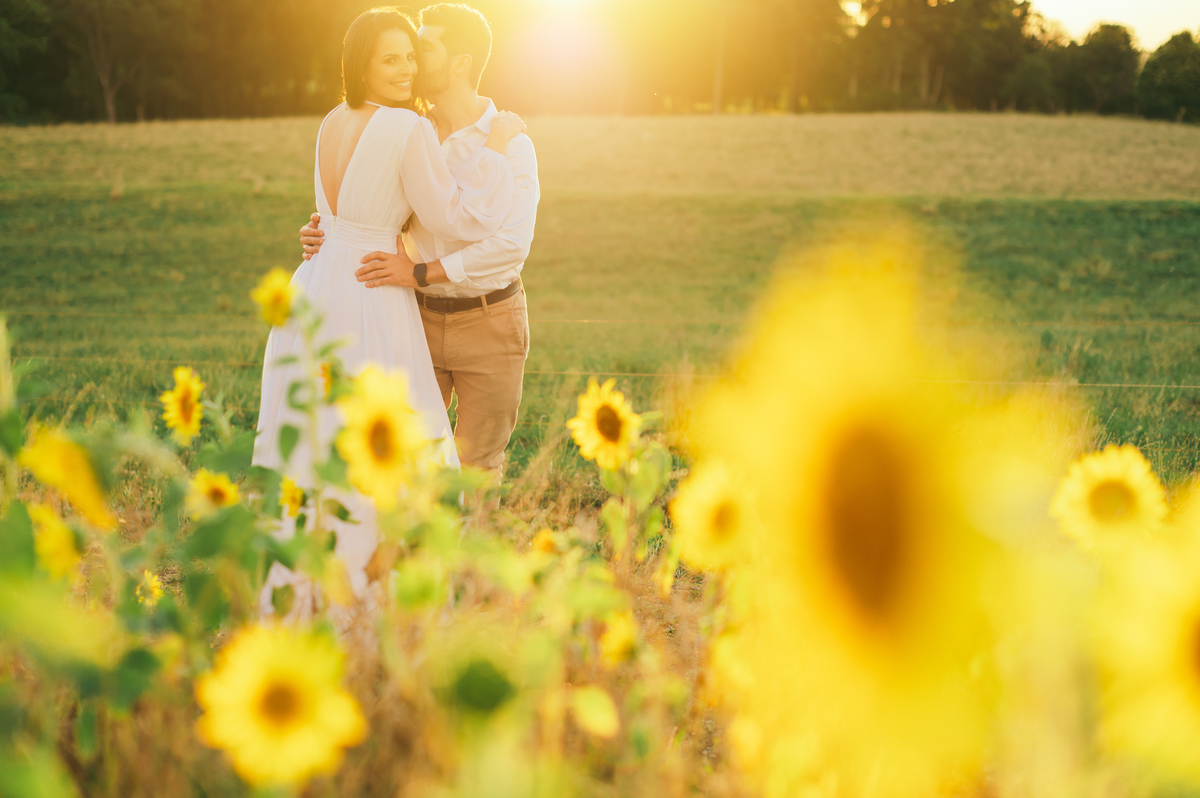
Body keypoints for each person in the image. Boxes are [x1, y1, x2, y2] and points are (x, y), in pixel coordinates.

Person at [255, 6, 526, 622]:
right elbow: (457, 218)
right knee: (390, 442)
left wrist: (320, 231)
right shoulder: (408, 127)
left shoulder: (331, 120)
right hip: (371, 290)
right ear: (361, 65)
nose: (406, 69)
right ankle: (376, 607)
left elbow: (336, 216)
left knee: (320, 438)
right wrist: (498, 148)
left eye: (410, 56)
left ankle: (308, 597)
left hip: (315, 288)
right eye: (391, 59)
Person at [300, 3, 540, 492]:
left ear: (460, 62)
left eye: (422, 49)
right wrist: (327, 230)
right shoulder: (408, 128)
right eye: (400, 53)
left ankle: (470, 549)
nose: (411, 59)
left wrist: (422, 271)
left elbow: (509, 245)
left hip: (489, 320)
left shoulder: (512, 143)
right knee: (405, 454)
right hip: (414, 316)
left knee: (477, 467)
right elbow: (369, 204)